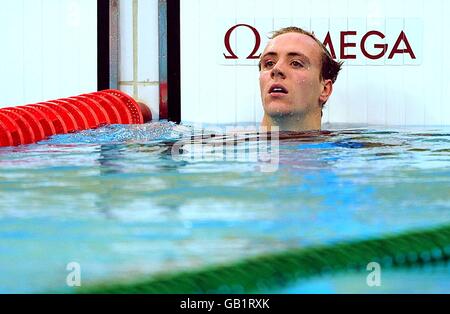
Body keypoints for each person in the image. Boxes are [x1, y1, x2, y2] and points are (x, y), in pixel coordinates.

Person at [259, 27, 343, 131]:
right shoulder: (235, 144)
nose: (276, 69)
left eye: (296, 63)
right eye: (269, 63)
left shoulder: (353, 145)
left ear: (325, 90)